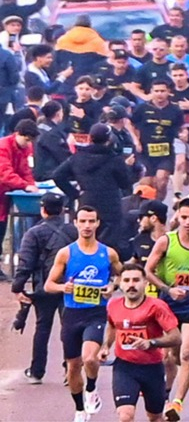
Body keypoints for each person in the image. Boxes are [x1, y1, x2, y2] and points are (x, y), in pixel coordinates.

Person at [45, 206, 123, 422]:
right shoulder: (66, 253)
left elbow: (121, 275)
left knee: (90, 358)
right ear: (76, 223)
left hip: (95, 313)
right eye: (83, 221)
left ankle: (91, 388)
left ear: (98, 223)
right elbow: (49, 284)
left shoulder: (108, 253)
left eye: (91, 221)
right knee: (73, 367)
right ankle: (80, 409)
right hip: (71, 314)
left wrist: (112, 287)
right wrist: (63, 288)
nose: (87, 226)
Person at [144, 198, 189, 421]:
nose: (188, 222)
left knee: (187, 352)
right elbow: (148, 270)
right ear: (178, 218)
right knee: (169, 357)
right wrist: (167, 289)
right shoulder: (166, 242)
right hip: (169, 304)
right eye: (184, 217)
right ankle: (181, 378)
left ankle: (177, 402)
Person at [99, 263, 181, 422]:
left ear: (145, 283)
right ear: (120, 284)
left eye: (136, 280)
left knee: (155, 417)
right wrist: (105, 347)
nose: (131, 285)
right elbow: (111, 325)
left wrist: (151, 343)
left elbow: (176, 337)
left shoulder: (157, 307)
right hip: (124, 368)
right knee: (125, 416)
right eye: (127, 280)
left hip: (152, 368)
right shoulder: (113, 305)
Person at [12, 193, 77, 383]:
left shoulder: (34, 233)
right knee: (70, 328)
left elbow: (26, 263)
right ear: (63, 209)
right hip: (69, 286)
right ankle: (70, 370)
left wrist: (18, 287)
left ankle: (37, 371)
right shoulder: (73, 231)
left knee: (42, 328)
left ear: (42, 209)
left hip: (44, 286)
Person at [53, 123, 133, 253]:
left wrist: (74, 193)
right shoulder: (115, 160)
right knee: (109, 246)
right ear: (109, 140)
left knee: (85, 242)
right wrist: (128, 167)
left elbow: (57, 176)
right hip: (110, 206)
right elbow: (125, 184)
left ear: (90, 138)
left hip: (86, 203)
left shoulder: (77, 157)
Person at [130, 80, 186, 201]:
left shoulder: (175, 110)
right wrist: (136, 140)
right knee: (146, 183)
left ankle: (158, 205)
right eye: (156, 91)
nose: (159, 94)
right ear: (151, 92)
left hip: (165, 152)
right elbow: (130, 123)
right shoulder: (142, 108)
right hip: (145, 152)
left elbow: (182, 127)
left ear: (168, 92)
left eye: (162, 91)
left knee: (161, 180)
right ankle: (144, 208)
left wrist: (183, 134)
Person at [0, 119, 39, 279]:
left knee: (1, 231)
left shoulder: (26, 148)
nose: (28, 144)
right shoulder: (3, 147)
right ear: (18, 134)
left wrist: (31, 185)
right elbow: (4, 173)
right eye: (27, 140)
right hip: (3, 191)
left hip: (5, 197)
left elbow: (25, 170)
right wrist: (25, 186)